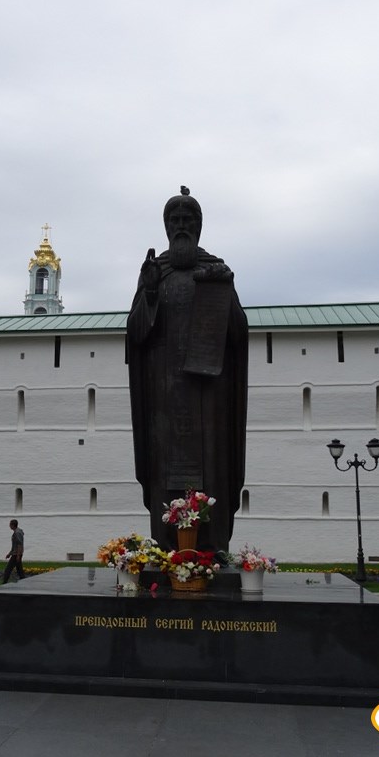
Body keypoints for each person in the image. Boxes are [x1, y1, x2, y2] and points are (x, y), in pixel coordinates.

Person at [127, 187, 249, 553]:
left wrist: (222, 293)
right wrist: (148, 294)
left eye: (188, 220)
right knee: (167, 471)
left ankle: (210, 551)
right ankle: (167, 550)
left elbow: (239, 333)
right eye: (175, 220)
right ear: (166, 226)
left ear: (199, 225)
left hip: (208, 399)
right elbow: (135, 333)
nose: (181, 226)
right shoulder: (155, 273)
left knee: (210, 468)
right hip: (164, 396)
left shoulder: (215, 271)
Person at [1, 519, 25, 583]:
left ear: (13, 525)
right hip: (16, 553)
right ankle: (24, 581)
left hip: (16, 554)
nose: (9, 526)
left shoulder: (17, 533)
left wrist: (18, 556)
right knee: (19, 570)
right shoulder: (17, 532)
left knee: (8, 569)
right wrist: (9, 553)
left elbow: (19, 545)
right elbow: (14, 545)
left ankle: (4, 583)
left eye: (10, 524)